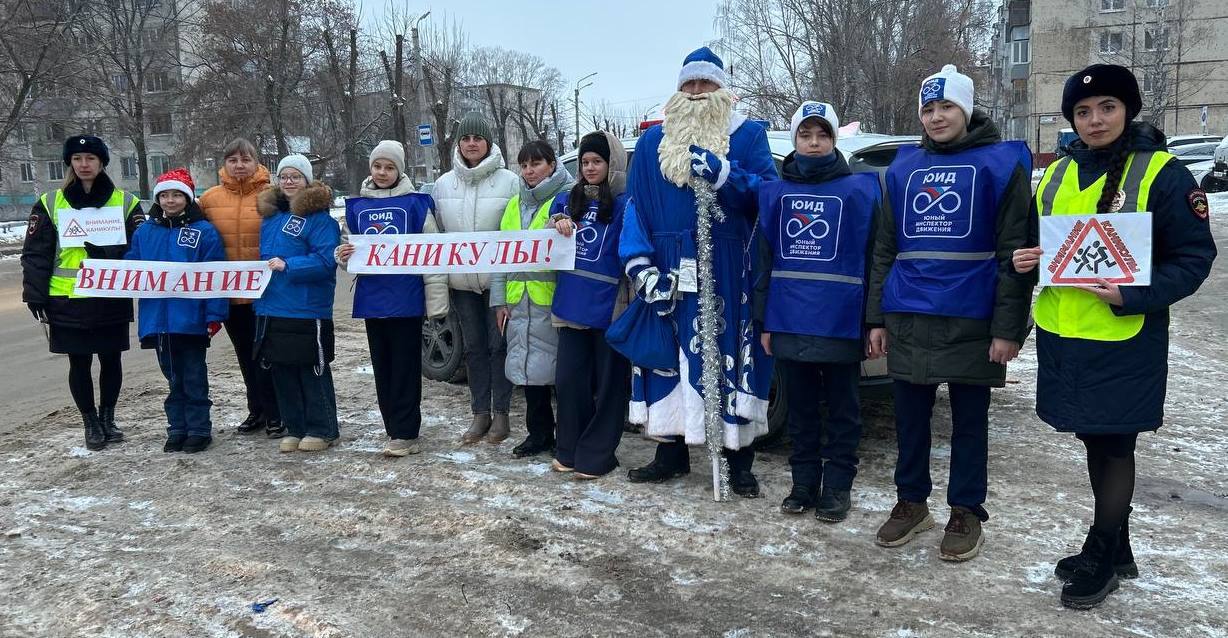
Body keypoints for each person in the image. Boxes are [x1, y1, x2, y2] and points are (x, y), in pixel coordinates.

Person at [1012, 64, 1216, 609]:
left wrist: (1132, 295)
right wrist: (1027, 259)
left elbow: (1195, 258)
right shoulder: (1057, 173)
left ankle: (1101, 551)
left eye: (1106, 107)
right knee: (1093, 438)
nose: (1094, 120)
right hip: (1065, 335)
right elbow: (1045, 245)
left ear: (1128, 109)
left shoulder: (1162, 173)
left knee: (1114, 444)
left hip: (1124, 337)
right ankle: (1117, 546)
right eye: (1082, 111)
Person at [866, 65, 1033, 560]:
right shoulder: (901, 168)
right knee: (910, 421)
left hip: (973, 319)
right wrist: (876, 318)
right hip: (910, 315)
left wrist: (1009, 329)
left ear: (966, 109)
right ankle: (910, 502)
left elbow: (1016, 251)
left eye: (947, 107)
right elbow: (884, 249)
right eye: (929, 108)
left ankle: (965, 510)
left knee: (968, 423)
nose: (936, 117)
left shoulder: (1001, 164)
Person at [619, 47, 778, 497]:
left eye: (704, 84)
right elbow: (635, 209)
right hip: (669, 268)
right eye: (688, 85)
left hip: (726, 268)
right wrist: (640, 266)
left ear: (721, 89)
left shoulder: (747, 136)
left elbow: (768, 197)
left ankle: (737, 460)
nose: (695, 93)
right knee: (667, 358)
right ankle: (669, 452)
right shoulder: (651, 144)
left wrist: (728, 175)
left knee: (726, 360)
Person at [755, 102, 879, 520]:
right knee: (803, 410)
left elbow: (873, 257)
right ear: (794, 140)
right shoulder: (775, 193)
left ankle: (838, 487)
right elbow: (764, 261)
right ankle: (804, 483)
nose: (813, 142)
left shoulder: (861, 190)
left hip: (841, 321)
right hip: (788, 320)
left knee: (843, 411)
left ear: (833, 140)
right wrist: (764, 320)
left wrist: (872, 320)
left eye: (821, 135)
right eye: (805, 135)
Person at [21, 135, 144, 450]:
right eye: (77, 159)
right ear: (70, 163)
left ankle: (108, 418)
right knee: (79, 363)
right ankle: (90, 422)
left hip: (109, 294)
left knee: (111, 359)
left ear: (102, 162)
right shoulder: (51, 202)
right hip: (67, 297)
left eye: (90, 158)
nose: (84, 164)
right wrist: (34, 295)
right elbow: (36, 254)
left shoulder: (125, 201)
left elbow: (141, 248)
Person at [336, 141, 449, 457]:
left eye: (389, 167)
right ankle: (392, 429)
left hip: (406, 300)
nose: (382, 172)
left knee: (404, 368)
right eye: (377, 166)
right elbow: (348, 251)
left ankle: (406, 432)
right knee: (382, 368)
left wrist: (437, 301)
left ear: (399, 170)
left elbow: (433, 253)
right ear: (370, 169)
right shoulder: (356, 207)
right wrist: (342, 255)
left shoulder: (416, 205)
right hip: (373, 301)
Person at [125, 168, 228, 454]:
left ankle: (198, 428)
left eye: (177, 195)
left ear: (188, 198)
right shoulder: (145, 232)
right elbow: (132, 267)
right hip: (158, 320)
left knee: (194, 376)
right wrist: (106, 261)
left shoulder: (204, 231)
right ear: (158, 199)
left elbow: (215, 275)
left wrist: (214, 315)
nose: (170, 201)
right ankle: (177, 428)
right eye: (165, 195)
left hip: (191, 320)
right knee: (172, 378)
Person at [433, 112, 520, 445]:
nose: (471, 144)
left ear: (488, 143)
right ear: (459, 143)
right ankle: (479, 413)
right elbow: (437, 233)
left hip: (497, 281)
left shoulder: (509, 181)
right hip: (461, 283)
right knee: (473, 348)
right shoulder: (443, 185)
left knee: (499, 346)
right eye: (466, 138)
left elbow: (518, 227)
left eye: (477, 138)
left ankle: (501, 414)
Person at [549, 131, 632, 479]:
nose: (590, 168)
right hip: (570, 306)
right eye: (584, 162)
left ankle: (597, 454)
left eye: (597, 161)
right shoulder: (567, 200)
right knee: (569, 382)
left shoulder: (627, 202)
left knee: (611, 385)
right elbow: (545, 232)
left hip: (611, 307)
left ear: (611, 163)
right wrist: (556, 224)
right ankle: (568, 448)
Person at [490, 141, 573, 458]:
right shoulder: (513, 205)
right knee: (529, 373)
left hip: (552, 300)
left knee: (559, 375)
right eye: (524, 165)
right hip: (518, 302)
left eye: (536, 164)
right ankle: (538, 434)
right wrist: (500, 301)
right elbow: (501, 256)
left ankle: (566, 436)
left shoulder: (566, 198)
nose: (529, 171)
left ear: (552, 165)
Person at [254, 154, 341, 453]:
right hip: (271, 306)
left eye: (296, 176)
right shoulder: (270, 218)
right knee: (282, 371)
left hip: (307, 307)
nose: (289, 181)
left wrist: (288, 265)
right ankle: (296, 427)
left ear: (307, 181)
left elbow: (325, 260)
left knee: (310, 370)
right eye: (284, 176)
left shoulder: (320, 220)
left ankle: (323, 428)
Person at [199, 138, 281, 437]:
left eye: (245, 159)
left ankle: (276, 413)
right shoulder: (209, 199)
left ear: (256, 162)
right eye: (232, 159)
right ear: (225, 164)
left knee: (268, 354)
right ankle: (256, 410)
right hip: (231, 293)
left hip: (266, 290)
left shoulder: (272, 195)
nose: (239, 165)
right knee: (245, 355)